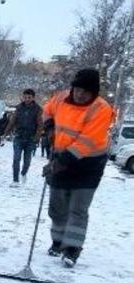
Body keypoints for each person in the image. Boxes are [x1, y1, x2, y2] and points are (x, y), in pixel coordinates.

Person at [41, 68, 113, 267]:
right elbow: (47, 110)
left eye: (87, 91)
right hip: (61, 157)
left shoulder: (101, 109)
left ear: (94, 93)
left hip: (89, 165)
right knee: (57, 207)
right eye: (78, 89)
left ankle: (72, 249)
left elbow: (86, 142)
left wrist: (57, 164)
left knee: (78, 209)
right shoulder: (61, 98)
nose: (81, 94)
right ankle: (57, 242)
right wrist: (48, 127)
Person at [3, 88, 43, 186]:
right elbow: (12, 121)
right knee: (16, 158)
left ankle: (24, 173)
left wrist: (37, 137)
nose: (27, 99)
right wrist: (5, 133)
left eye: (29, 97)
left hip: (31, 138)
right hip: (19, 137)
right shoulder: (19, 108)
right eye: (25, 97)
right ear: (23, 97)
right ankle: (15, 180)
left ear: (33, 98)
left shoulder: (37, 109)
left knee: (27, 161)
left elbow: (40, 124)